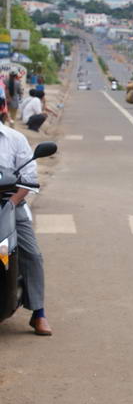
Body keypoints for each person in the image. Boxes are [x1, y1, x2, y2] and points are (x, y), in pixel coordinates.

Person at [0, 113, 50, 335]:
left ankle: (38, 313)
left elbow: (28, 179)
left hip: (10, 203)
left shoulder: (15, 139)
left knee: (31, 254)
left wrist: (12, 202)